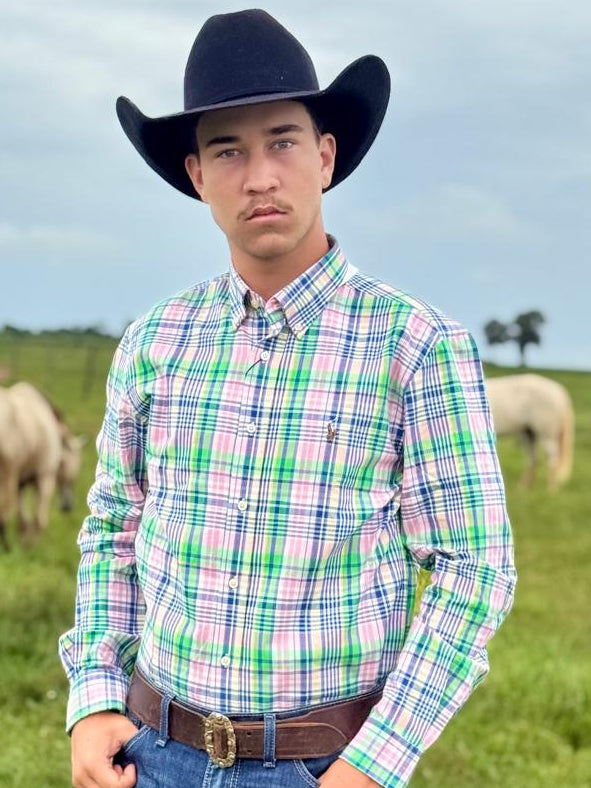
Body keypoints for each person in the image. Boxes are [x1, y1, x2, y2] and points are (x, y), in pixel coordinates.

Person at [59, 9, 516, 788]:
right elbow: (114, 532)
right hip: (152, 753)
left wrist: (373, 763)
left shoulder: (414, 345)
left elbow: (474, 570)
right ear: (197, 175)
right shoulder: (154, 341)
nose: (259, 176)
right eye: (227, 150)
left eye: (282, 142)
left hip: (321, 765)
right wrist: (96, 697)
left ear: (325, 156)